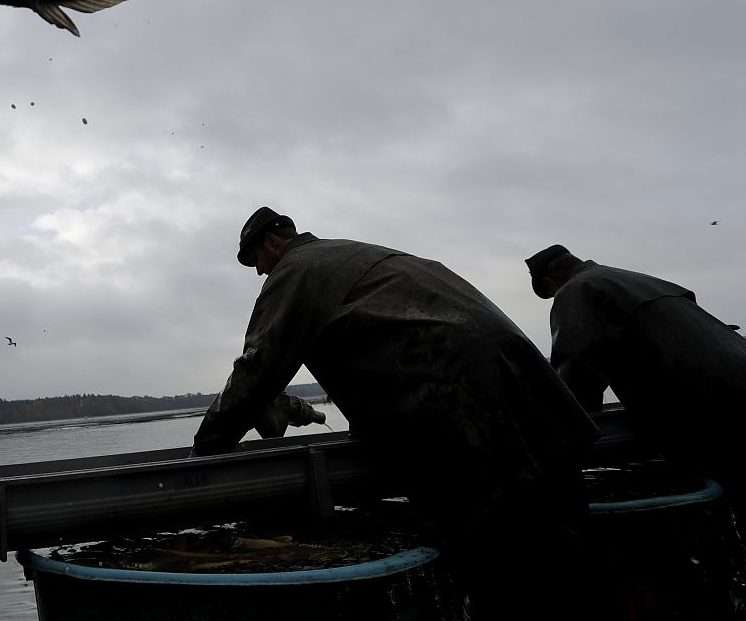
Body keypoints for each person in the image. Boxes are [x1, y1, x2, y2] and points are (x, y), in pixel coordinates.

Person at [193, 207, 602, 620]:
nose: (260, 273)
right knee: (568, 540)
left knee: (500, 557)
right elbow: (382, 342)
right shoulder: (359, 256)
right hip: (529, 388)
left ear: (271, 243)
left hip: (461, 406)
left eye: (256, 262)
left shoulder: (294, 272)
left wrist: (202, 457)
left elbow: (256, 372)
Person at [525, 244, 746, 518]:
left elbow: (576, 367)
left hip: (708, 409)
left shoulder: (576, 290)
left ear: (550, 282)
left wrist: (565, 428)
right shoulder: (639, 280)